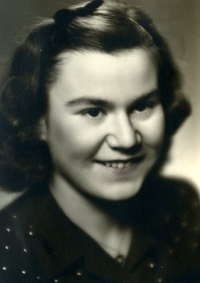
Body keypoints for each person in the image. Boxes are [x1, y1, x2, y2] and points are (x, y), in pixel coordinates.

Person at [0, 0, 200, 282]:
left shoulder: (184, 208)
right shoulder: (8, 252)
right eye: (93, 111)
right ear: (38, 123)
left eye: (142, 106)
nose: (127, 138)